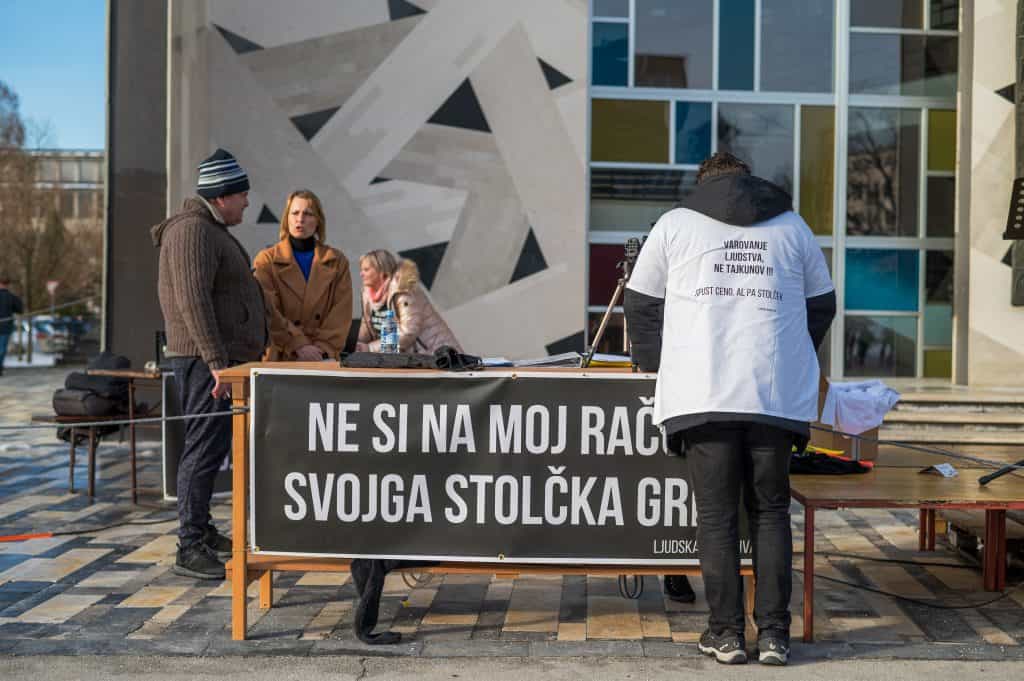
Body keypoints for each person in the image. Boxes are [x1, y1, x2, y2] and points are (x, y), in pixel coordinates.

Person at [625, 152, 836, 666]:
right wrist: (793, 354)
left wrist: (660, 365)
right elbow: (821, 303)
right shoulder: (793, 227)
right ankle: (775, 636)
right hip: (772, 396)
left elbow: (641, 302)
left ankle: (725, 634)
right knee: (771, 513)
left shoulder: (675, 224)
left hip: (703, 393)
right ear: (750, 180)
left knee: (717, 518)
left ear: (704, 184)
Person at [152, 148, 268, 580]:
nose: (247, 202)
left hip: (216, 361)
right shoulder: (191, 231)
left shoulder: (206, 228)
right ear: (222, 195)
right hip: (206, 363)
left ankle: (201, 529)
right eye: (242, 195)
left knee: (212, 448)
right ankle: (189, 546)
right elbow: (193, 300)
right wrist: (218, 362)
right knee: (202, 449)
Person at [252, 189, 353, 361]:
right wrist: (297, 344)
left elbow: (341, 312)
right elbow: (267, 309)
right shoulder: (266, 260)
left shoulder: (336, 261)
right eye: (295, 213)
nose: (300, 219)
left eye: (308, 214)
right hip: (282, 355)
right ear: (287, 218)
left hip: (322, 358)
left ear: (318, 220)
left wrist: (322, 349)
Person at [356, 249, 462, 354]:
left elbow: (409, 331)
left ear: (382, 271)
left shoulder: (403, 289)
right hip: (407, 357)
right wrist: (354, 342)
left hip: (437, 354)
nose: (361, 274)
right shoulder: (368, 294)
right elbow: (367, 327)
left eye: (366, 270)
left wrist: (370, 348)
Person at [0, 276, 24, 376]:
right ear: (8, 285)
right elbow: (20, 309)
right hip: (6, 326)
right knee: (2, 348)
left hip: (5, 325)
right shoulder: (12, 297)